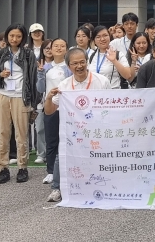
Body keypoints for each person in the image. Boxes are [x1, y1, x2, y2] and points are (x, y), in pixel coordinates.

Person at [43, 47, 111, 202]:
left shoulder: (102, 81)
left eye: (82, 62)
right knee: (62, 155)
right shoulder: (64, 86)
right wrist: (49, 98)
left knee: (101, 157)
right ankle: (56, 188)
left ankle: (103, 185)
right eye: (75, 63)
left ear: (87, 62)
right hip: (73, 131)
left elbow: (111, 105)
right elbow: (49, 111)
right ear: (69, 66)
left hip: (97, 129)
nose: (79, 66)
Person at [0, 24, 39, 184]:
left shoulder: (28, 54)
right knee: (3, 132)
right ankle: (4, 168)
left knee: (22, 134)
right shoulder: (0, 54)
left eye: (18, 36)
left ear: (23, 37)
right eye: (11, 36)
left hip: (21, 97)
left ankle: (22, 167)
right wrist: (0, 75)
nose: (14, 39)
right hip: (2, 96)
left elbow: (33, 78)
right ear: (7, 37)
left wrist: (33, 102)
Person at [35, 38, 69, 186]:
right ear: (51, 49)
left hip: (67, 107)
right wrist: (40, 73)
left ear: (66, 49)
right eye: (56, 46)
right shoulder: (46, 66)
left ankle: (66, 170)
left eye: (62, 46)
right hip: (50, 107)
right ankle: (50, 172)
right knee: (51, 140)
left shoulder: (69, 66)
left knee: (66, 140)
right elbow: (40, 89)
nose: (59, 48)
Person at [33, 39, 53, 164]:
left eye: (51, 48)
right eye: (46, 48)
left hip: (55, 101)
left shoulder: (59, 64)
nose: (49, 50)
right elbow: (37, 86)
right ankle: (41, 153)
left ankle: (52, 153)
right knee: (40, 128)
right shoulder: (37, 63)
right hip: (40, 100)